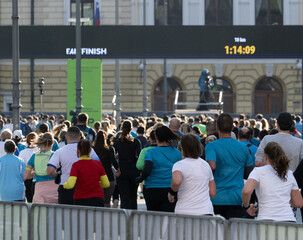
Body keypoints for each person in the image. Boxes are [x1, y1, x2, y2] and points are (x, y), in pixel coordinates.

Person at [205, 113, 254, 219]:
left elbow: (212, 166)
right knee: (234, 233)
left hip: (216, 197)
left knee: (216, 233)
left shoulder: (211, 146)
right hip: (237, 197)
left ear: (217, 127)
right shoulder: (243, 147)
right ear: (232, 128)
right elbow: (250, 172)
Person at [242, 142, 303, 222]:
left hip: (266, 218)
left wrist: (246, 206)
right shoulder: (288, 173)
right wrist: (282, 201)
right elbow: (299, 203)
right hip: (288, 219)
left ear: (266, 156)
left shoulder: (258, 171)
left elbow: (247, 191)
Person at [47, 126, 100, 205]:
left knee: (66, 215)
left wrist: (58, 174)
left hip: (66, 188)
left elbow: (50, 171)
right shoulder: (89, 150)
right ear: (80, 137)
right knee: (83, 215)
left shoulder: (59, 151)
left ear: (66, 137)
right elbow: (98, 166)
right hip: (85, 187)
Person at [136, 125, 182, 212]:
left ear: (156, 137)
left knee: (154, 218)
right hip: (170, 188)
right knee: (168, 217)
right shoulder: (177, 153)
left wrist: (140, 179)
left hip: (153, 188)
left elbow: (147, 170)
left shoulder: (150, 152)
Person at [168, 134, 216, 215]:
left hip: (185, 211)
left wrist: (171, 193)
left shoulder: (179, 165)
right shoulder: (206, 165)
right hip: (205, 210)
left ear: (182, 148)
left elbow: (177, 181)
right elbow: (213, 193)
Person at [64, 139, 110, 207]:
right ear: (90, 151)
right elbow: (106, 184)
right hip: (97, 199)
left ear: (78, 151)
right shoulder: (98, 164)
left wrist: (65, 185)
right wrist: (96, 183)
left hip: (80, 199)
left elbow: (70, 185)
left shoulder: (76, 165)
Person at [114, 120, 141, 209]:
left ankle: (124, 218)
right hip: (133, 169)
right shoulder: (136, 142)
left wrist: (116, 167)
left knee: (123, 196)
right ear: (131, 129)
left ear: (121, 128)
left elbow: (113, 155)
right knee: (133, 196)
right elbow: (138, 155)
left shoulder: (117, 142)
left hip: (122, 169)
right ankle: (133, 216)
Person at [24, 133, 58, 204]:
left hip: (39, 189)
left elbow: (26, 176)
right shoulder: (55, 155)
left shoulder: (34, 156)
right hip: (54, 190)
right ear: (53, 142)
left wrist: (34, 173)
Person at [93, 130, 119, 207]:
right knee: (107, 201)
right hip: (108, 176)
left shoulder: (92, 149)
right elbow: (114, 161)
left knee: (98, 202)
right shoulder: (110, 149)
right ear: (106, 138)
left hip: (96, 177)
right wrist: (118, 170)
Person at [18, 132, 38, 202]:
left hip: (26, 178)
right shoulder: (39, 151)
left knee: (29, 200)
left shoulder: (22, 152)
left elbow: (20, 167)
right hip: (37, 178)